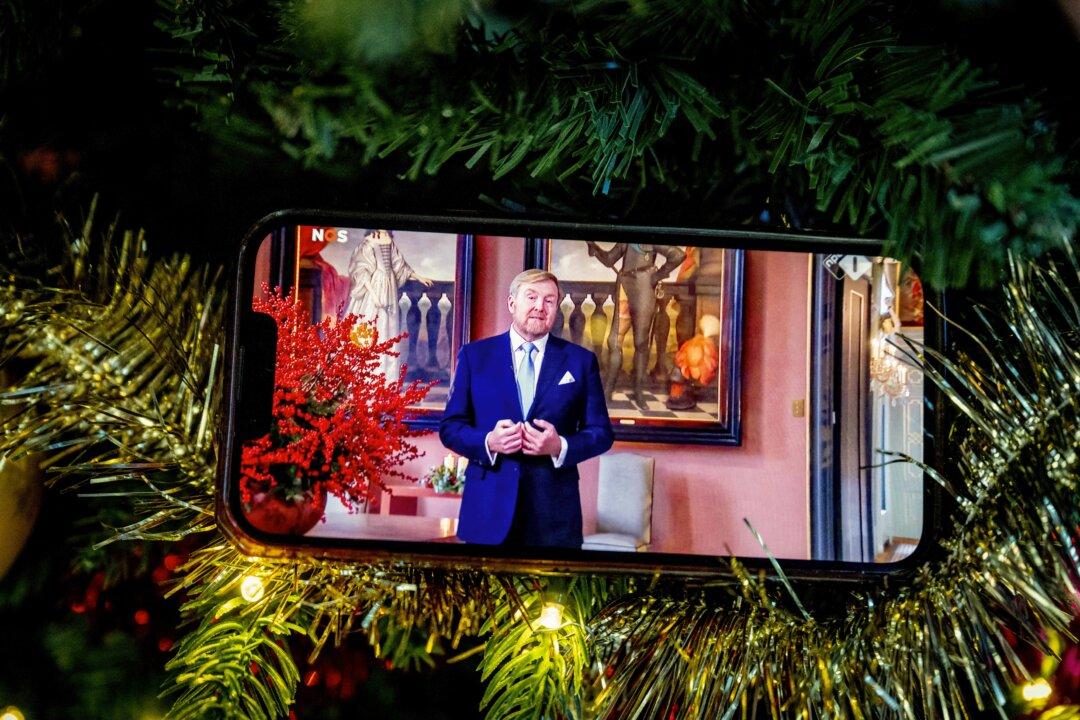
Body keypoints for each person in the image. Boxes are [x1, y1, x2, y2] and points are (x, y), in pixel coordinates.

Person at [439, 269, 614, 548]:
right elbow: (450, 428)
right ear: (512, 304)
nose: (539, 307)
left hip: (554, 517)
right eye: (531, 297)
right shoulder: (475, 356)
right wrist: (489, 441)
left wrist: (560, 446)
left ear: (556, 308)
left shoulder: (580, 361)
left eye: (549, 300)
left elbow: (601, 433)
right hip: (487, 511)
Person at [585, 242, 686, 408]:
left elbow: (678, 255)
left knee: (640, 342)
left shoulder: (652, 235)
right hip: (624, 284)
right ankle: (607, 392)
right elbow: (610, 260)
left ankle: (638, 393)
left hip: (644, 287)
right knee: (613, 342)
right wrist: (594, 248)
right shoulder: (626, 239)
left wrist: (658, 275)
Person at [345, 229, 434, 379]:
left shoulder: (389, 240)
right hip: (375, 287)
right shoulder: (369, 242)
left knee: (388, 327)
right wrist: (374, 296)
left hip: (390, 286)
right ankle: (366, 375)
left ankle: (385, 376)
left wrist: (419, 277)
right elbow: (362, 272)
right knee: (371, 325)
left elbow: (400, 265)